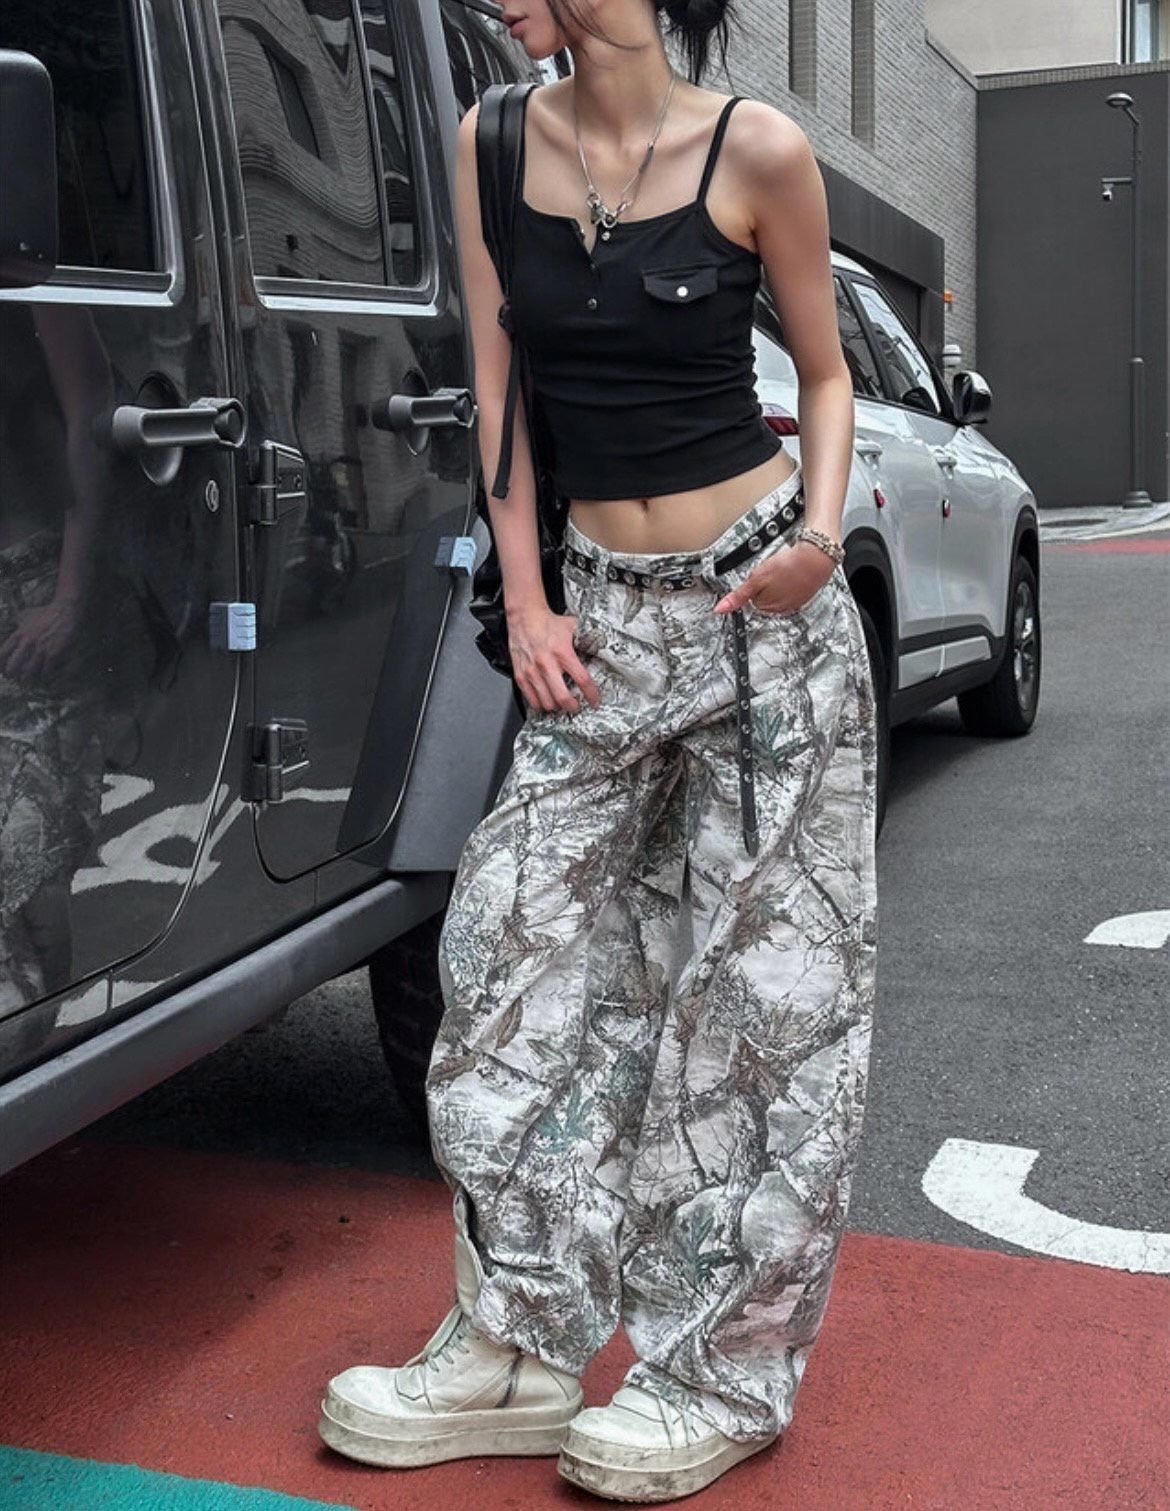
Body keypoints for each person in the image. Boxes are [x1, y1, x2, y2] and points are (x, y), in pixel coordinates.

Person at [318, 0, 878, 1500]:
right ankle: (518, 1342)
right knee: (505, 954)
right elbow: (499, 387)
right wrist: (524, 597)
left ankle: (720, 1372)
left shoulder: (758, 148)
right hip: (596, 624)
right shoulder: (493, 137)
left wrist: (822, 536)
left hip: (763, 613)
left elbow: (824, 375)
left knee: (765, 1005)